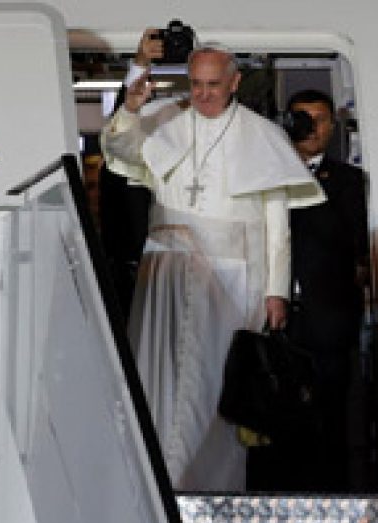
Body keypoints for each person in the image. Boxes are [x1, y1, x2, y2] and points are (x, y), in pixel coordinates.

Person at [99, 29, 324, 491]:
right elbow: (119, 147)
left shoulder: (262, 135)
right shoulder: (165, 120)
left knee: (216, 388)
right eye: (196, 84)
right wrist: (134, 94)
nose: (202, 94)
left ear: (234, 82)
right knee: (157, 380)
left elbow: (276, 221)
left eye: (213, 85)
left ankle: (209, 491)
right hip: (166, 270)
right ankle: (152, 486)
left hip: (234, 272)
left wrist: (276, 290)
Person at [246, 89, 370, 492]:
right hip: (269, 315)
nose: (311, 128)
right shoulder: (263, 176)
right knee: (268, 413)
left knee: (329, 415)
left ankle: (330, 497)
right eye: (302, 118)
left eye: (319, 119)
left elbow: (352, 244)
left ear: (333, 125)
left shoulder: (349, 182)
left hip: (328, 318)